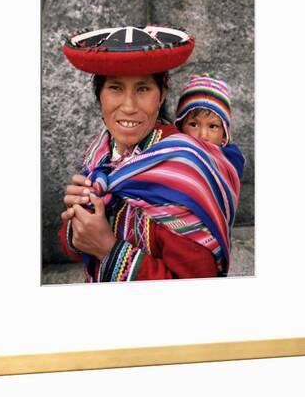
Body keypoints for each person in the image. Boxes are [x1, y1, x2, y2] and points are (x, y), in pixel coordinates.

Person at [58, 25, 244, 282]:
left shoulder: (182, 166)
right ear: (99, 95)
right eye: (115, 88)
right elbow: (76, 246)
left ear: (162, 94)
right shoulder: (101, 153)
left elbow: (200, 286)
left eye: (143, 89)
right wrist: (78, 215)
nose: (129, 106)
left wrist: (109, 250)